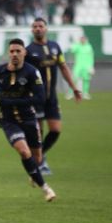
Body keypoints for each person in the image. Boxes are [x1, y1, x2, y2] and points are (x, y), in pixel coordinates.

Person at [0, 38, 56, 202]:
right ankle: (46, 189)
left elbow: (40, 99)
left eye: (18, 51)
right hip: (9, 121)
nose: (14, 54)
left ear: (24, 53)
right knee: (24, 152)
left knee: (37, 158)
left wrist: (13, 102)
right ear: (8, 53)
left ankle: (34, 173)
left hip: (29, 119)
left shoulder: (32, 72)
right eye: (12, 51)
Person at [25, 18, 82, 175]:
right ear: (32, 30)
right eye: (35, 26)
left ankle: (39, 155)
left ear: (46, 28)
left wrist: (74, 88)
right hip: (36, 98)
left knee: (56, 130)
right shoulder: (28, 51)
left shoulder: (55, 47)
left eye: (40, 26)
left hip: (52, 98)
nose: (38, 29)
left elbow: (63, 67)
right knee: (38, 132)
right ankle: (39, 163)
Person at [67, 35, 96, 100]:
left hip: (87, 66)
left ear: (86, 39)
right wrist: (74, 44)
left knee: (86, 79)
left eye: (84, 39)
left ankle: (85, 93)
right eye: (81, 39)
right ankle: (70, 93)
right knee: (74, 79)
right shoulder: (77, 45)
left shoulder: (89, 46)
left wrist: (91, 66)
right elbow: (72, 50)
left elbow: (91, 57)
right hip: (78, 65)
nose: (83, 40)